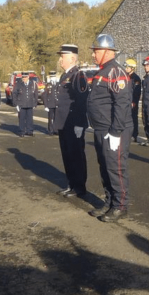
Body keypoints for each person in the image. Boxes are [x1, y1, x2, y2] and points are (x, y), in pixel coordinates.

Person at [87, 34, 133, 222]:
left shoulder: (116, 72)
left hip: (114, 129)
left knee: (116, 167)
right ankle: (110, 201)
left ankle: (120, 205)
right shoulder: (102, 71)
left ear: (107, 52)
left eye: (96, 51)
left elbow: (121, 104)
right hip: (101, 128)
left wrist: (115, 132)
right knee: (105, 167)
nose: (93, 55)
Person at [55, 44, 89, 198]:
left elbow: (81, 101)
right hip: (64, 122)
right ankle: (71, 183)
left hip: (73, 122)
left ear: (72, 58)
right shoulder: (65, 75)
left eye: (63, 57)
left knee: (76, 155)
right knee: (67, 155)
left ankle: (79, 186)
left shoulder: (78, 76)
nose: (60, 60)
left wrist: (80, 124)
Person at [14, 71, 38, 137]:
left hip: (30, 103)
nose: (24, 78)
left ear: (28, 77)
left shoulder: (33, 84)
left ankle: (29, 131)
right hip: (21, 104)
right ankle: (22, 131)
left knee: (30, 118)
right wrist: (16, 104)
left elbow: (35, 94)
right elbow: (14, 94)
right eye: (23, 77)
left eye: (25, 77)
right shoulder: (18, 84)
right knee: (22, 119)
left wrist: (35, 103)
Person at [124, 59, 141, 143]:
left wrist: (134, 102)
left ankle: (134, 135)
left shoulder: (136, 78)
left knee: (133, 118)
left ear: (132, 68)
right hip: (126, 101)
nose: (126, 68)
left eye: (127, 67)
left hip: (132, 102)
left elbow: (137, 92)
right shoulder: (125, 77)